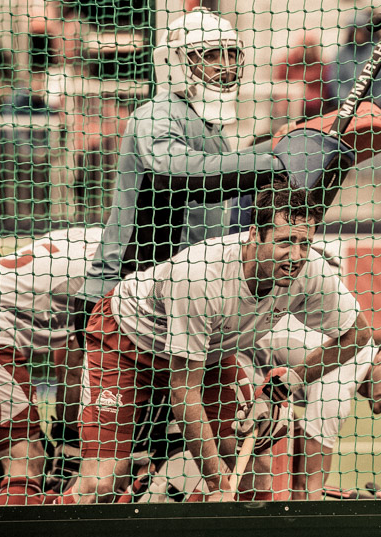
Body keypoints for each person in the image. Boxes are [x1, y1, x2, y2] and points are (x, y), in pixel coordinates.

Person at [56, 178, 371, 505]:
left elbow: (358, 334)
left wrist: (290, 381)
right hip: (126, 342)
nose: (295, 255)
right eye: (284, 242)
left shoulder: (310, 271)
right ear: (254, 234)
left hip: (207, 354)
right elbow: (183, 391)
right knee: (101, 485)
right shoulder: (202, 274)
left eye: (304, 243)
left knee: (254, 470)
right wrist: (217, 483)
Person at [74, 8, 289, 337]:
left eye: (232, 55)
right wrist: (271, 157)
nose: (225, 66)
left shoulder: (210, 127)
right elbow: (175, 171)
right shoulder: (157, 114)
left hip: (174, 300)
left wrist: (287, 151)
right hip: (121, 298)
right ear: (174, 61)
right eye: (211, 55)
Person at [0, 227, 102, 505]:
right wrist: (71, 439)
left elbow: (70, 352)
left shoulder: (86, 236)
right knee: (26, 457)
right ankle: (18, 534)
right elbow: (79, 359)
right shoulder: (122, 265)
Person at [238, 322, 381, 500]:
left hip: (242, 364)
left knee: (286, 441)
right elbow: (306, 488)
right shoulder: (338, 389)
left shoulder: (355, 356)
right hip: (230, 368)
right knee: (262, 477)